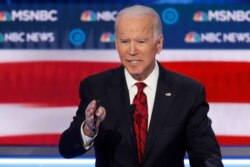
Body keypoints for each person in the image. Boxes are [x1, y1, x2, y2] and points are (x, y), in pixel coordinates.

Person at [59, 5, 223, 167]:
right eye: (124, 41)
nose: (132, 51)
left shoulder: (187, 92)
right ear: (116, 45)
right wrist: (88, 130)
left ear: (158, 44)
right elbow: (67, 149)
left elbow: (205, 155)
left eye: (141, 41)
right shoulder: (96, 88)